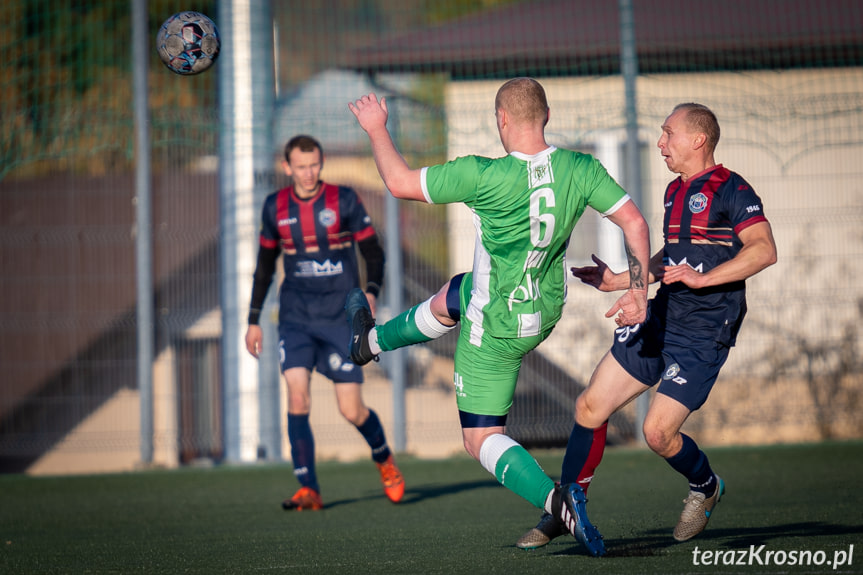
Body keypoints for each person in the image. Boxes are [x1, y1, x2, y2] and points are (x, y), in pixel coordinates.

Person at [347, 78, 651, 557]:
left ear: (501, 119)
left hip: (496, 327)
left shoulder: (481, 174)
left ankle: (559, 501)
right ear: (546, 117)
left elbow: (399, 183)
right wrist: (638, 292)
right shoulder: (580, 167)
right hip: (544, 310)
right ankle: (371, 343)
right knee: (460, 287)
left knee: (481, 438)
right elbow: (634, 222)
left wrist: (376, 127)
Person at [516, 102, 778, 549]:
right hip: (662, 316)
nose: (661, 143)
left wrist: (704, 278)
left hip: (704, 333)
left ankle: (705, 486)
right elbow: (672, 257)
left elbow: (763, 249)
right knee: (589, 407)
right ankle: (563, 509)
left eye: (668, 133)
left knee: (657, 434)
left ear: (698, 139)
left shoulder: (732, 189)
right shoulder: (675, 191)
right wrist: (622, 279)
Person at [244, 135, 405, 511]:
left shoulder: (343, 200)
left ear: (322, 162)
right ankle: (309, 489)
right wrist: (253, 320)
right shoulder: (275, 207)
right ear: (287, 168)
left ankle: (384, 459)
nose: (308, 172)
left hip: (339, 320)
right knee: (297, 397)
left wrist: (371, 290)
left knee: (352, 410)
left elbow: (372, 251)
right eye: (300, 166)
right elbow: (264, 266)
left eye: (314, 164)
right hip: (297, 318)